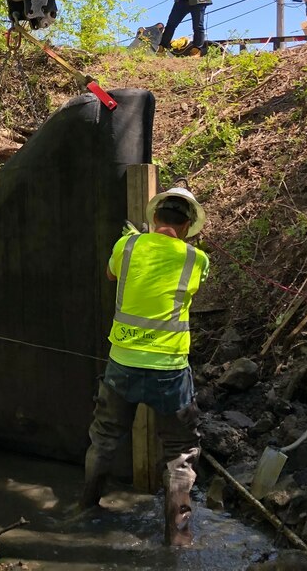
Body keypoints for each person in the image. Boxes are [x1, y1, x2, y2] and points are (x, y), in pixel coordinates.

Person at [81, 187, 210, 546]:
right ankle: (179, 539)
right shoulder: (195, 259)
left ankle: (86, 508)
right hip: (169, 371)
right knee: (180, 454)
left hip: (122, 364)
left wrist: (133, 241)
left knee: (105, 439)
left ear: (154, 220)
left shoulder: (128, 246)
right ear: (186, 226)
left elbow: (111, 275)